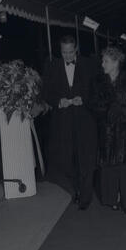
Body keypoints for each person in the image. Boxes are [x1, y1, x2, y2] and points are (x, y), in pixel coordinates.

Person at [42, 34, 98, 210]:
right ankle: (77, 188)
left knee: (85, 159)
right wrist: (58, 101)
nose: (67, 56)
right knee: (67, 161)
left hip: (85, 122)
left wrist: (85, 99)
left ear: (76, 49)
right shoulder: (52, 66)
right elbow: (46, 92)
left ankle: (85, 196)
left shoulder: (89, 65)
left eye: (70, 52)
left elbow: (97, 90)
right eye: (64, 52)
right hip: (63, 123)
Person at [89, 46, 126, 214]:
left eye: (106, 61)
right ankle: (111, 199)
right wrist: (108, 111)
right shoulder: (97, 81)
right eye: (103, 61)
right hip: (107, 129)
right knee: (108, 166)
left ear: (116, 62)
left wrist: (122, 110)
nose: (102, 64)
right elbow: (93, 104)